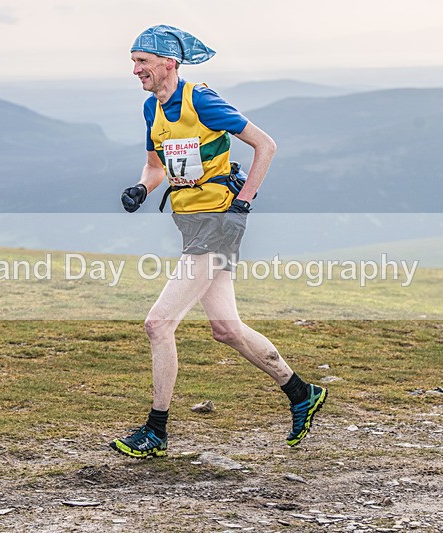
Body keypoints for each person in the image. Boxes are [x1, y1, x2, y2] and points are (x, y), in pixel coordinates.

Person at [110, 25, 326, 458]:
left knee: (158, 323)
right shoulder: (153, 109)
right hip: (190, 223)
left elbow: (265, 145)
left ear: (169, 63)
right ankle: (302, 392)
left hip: (219, 224)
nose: (135, 69)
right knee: (226, 328)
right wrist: (142, 188)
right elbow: (155, 167)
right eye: (134, 61)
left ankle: (156, 430)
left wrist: (243, 203)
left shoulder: (201, 100)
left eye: (143, 61)